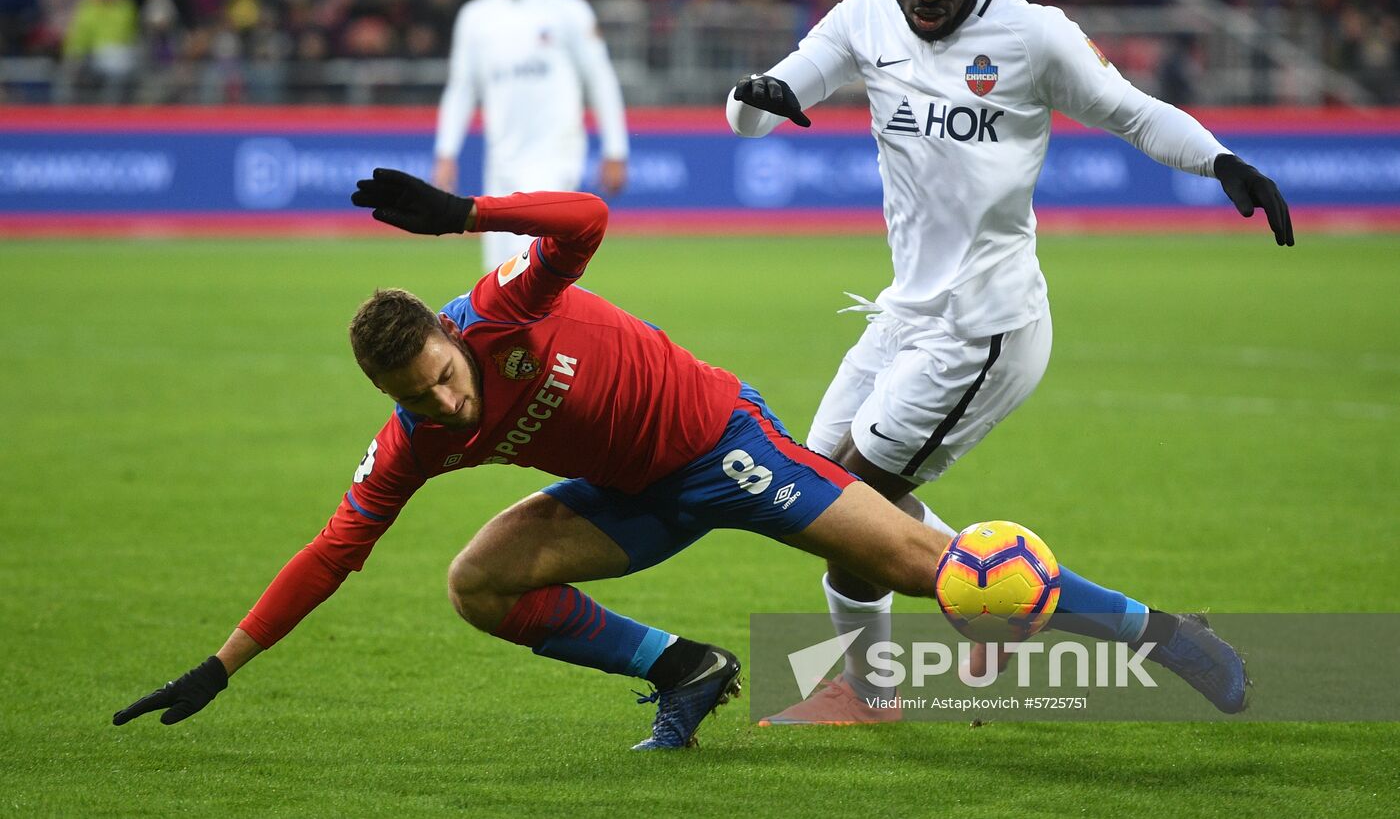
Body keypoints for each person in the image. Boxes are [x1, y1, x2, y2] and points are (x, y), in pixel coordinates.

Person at [111, 170, 1248, 749]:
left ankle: (1165, 637)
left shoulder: (502, 307)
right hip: (626, 496)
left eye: (446, 374)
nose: (448, 401)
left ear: (453, 335)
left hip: (720, 444)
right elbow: (334, 547)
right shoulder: (417, 437)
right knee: (476, 581)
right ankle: (682, 669)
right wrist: (223, 664)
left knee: (934, 567)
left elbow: (586, 219)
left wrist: (465, 208)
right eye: (421, 397)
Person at [727, 0, 1291, 725]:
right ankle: (987, 598)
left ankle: (920, 678)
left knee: (843, 511)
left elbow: (1133, 114)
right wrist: (756, 100)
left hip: (982, 328)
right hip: (906, 313)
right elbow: (758, 108)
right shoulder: (862, 21)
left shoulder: (1032, 35)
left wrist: (1223, 163)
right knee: (817, 491)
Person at [432, 0, 629, 271]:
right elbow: (461, 88)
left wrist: (615, 149)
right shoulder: (475, 17)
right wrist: (446, 152)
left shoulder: (568, 11)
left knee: (536, 270)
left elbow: (600, 80)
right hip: (501, 161)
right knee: (498, 275)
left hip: (554, 158)